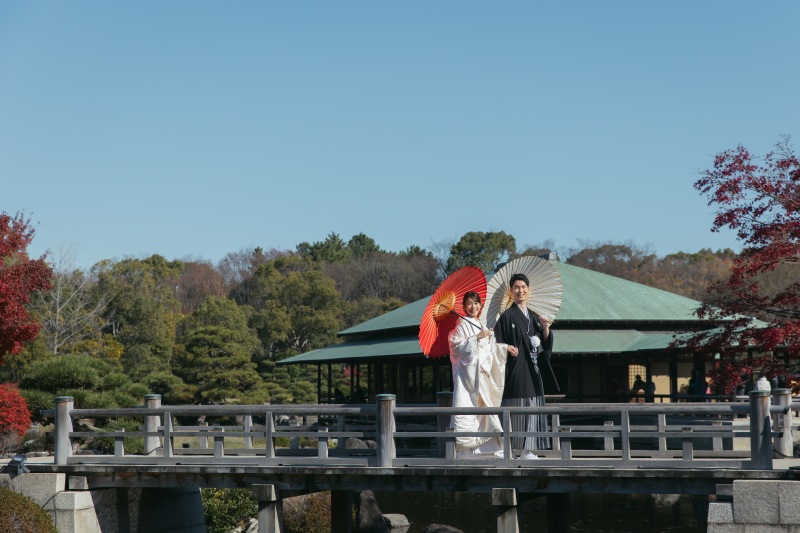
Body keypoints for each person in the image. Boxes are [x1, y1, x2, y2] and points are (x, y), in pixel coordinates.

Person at [448, 291, 515, 458]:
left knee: (486, 411)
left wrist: (504, 347)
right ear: (464, 306)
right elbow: (455, 346)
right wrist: (475, 337)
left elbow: (490, 348)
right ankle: (467, 448)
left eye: (476, 303)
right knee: (475, 410)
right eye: (469, 303)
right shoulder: (462, 325)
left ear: (480, 305)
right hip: (470, 376)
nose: (473, 307)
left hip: (484, 374)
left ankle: (491, 447)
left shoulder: (482, 324)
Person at [495, 273, 555, 459]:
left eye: (523, 287)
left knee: (535, 404)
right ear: (511, 292)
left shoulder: (536, 317)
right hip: (517, 368)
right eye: (516, 287)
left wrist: (545, 328)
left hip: (535, 368)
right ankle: (518, 450)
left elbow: (545, 345)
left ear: (529, 290)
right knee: (519, 405)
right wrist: (507, 347)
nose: (520, 290)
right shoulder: (506, 316)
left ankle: (530, 449)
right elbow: (496, 344)